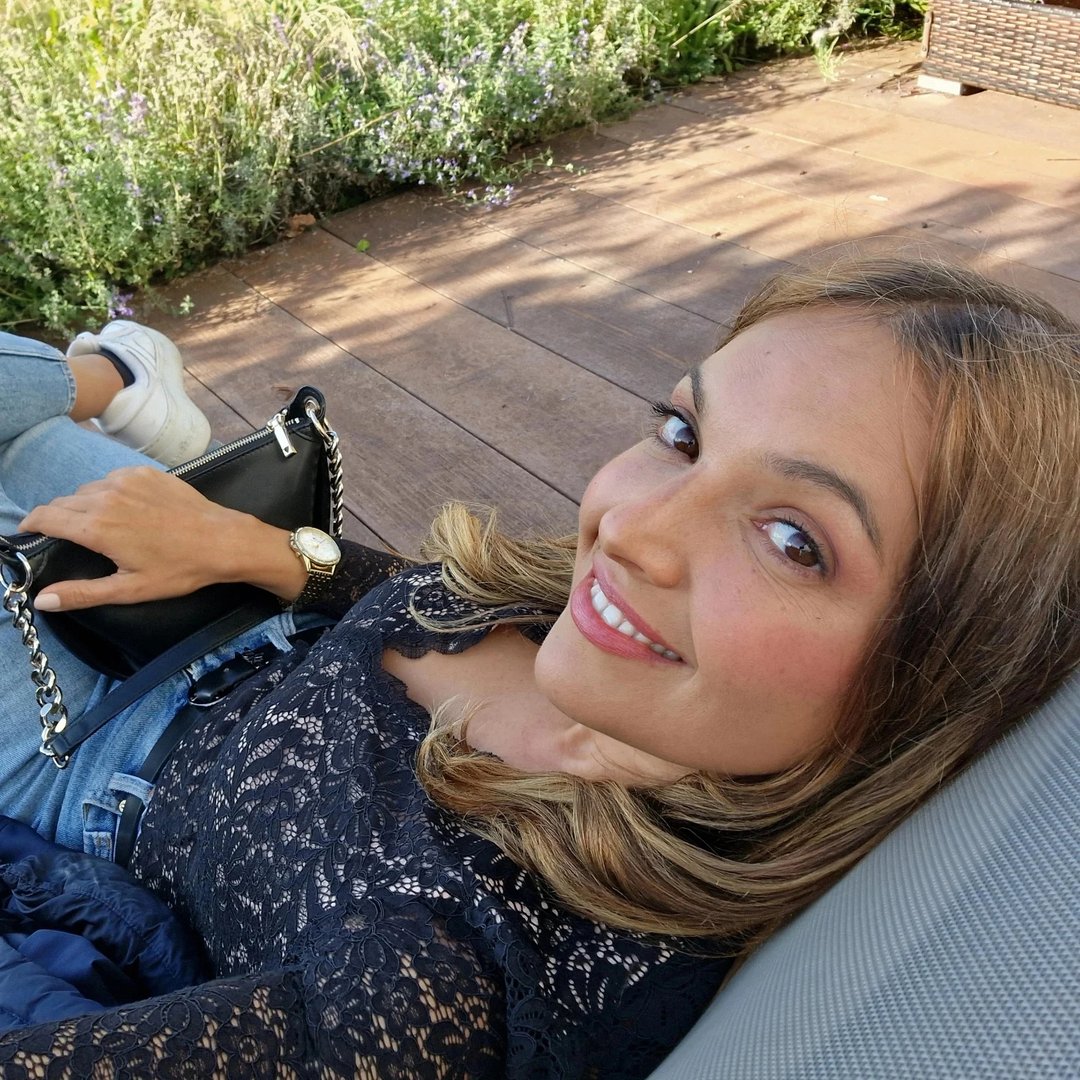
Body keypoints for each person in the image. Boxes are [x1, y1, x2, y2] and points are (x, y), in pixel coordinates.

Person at [0, 253, 1076, 1077]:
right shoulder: (633, 652)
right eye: (684, 434)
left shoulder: (454, 980)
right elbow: (433, 592)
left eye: (794, 539)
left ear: (934, 680)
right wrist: (258, 551)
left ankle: (114, 379)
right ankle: (119, 381)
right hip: (228, 603)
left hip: (88, 751)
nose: (631, 528)